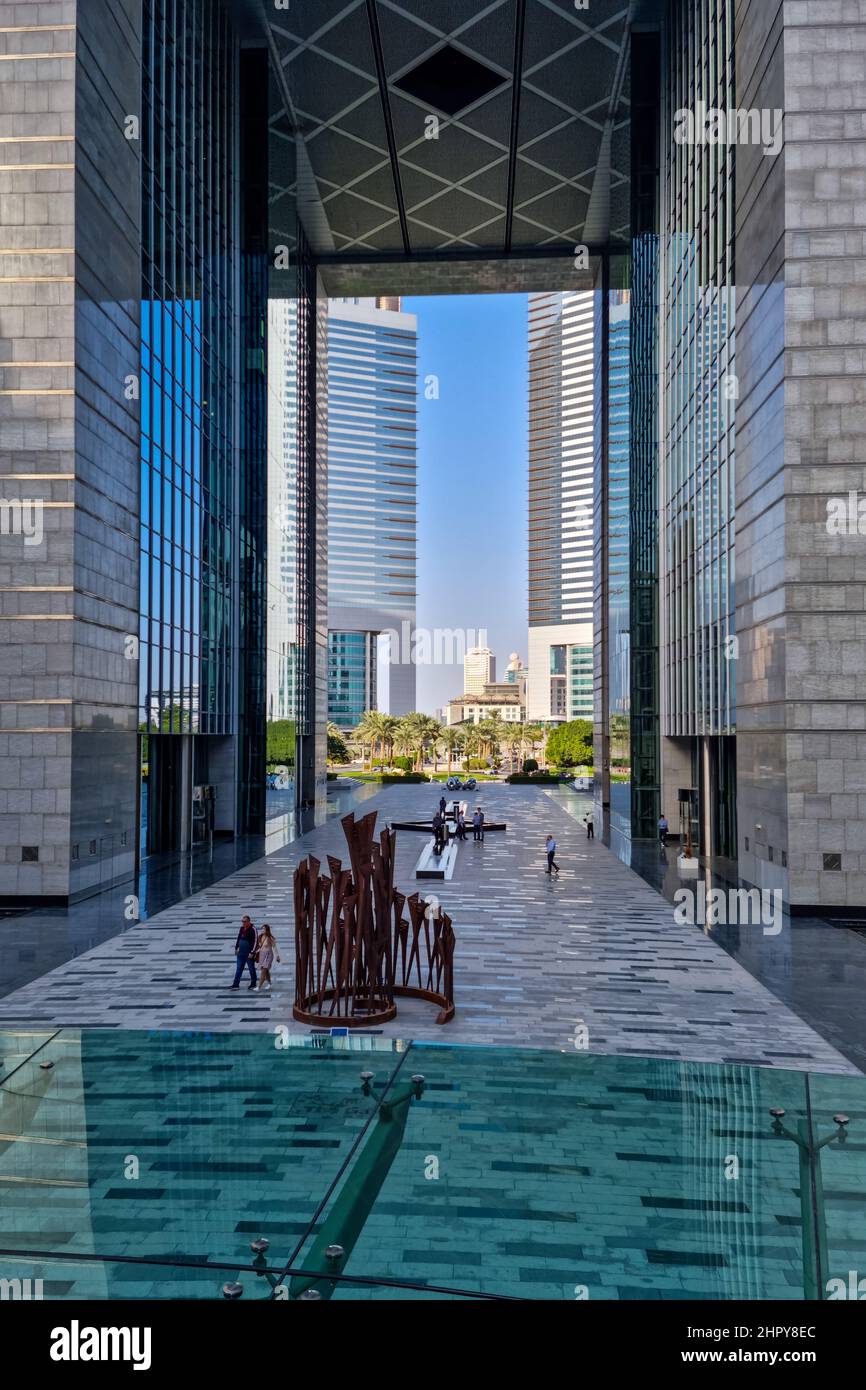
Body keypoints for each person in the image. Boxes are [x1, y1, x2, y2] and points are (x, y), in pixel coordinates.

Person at [231, 916, 258, 989]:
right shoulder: (242, 928)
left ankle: (253, 983)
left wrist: (252, 952)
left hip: (248, 953)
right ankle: (236, 984)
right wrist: (236, 948)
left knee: (251, 969)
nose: (243, 923)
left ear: (249, 921)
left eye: (244, 921)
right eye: (242, 921)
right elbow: (239, 938)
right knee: (239, 968)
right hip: (240, 953)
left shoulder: (253, 929)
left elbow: (255, 941)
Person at [255, 924, 280, 992]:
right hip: (262, 955)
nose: (262, 930)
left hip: (268, 956)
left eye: (264, 929)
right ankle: (269, 983)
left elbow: (274, 947)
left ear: (267, 930)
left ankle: (259, 986)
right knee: (266, 971)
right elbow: (260, 947)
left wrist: (277, 956)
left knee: (263, 971)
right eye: (262, 929)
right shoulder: (260, 937)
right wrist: (255, 952)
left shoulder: (270, 938)